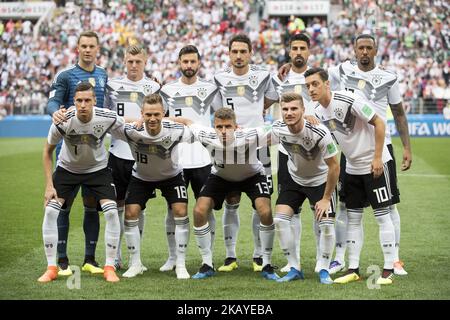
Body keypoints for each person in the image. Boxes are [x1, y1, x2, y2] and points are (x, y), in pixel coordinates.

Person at [327, 34, 411, 276]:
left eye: (368, 48)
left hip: (380, 148)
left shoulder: (388, 77)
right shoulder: (342, 70)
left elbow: (399, 113)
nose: (364, 52)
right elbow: (317, 74)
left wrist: (407, 148)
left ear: (376, 51)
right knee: (346, 206)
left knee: (389, 206)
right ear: (354, 50)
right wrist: (291, 67)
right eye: (360, 48)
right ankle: (341, 258)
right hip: (351, 148)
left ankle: (394, 260)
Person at [305, 68, 396, 285]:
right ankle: (353, 267)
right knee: (353, 218)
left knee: (382, 216)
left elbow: (379, 123)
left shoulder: (348, 99)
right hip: (352, 167)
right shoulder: (317, 113)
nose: (311, 89)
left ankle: (389, 268)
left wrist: (376, 158)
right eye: (308, 85)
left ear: (327, 84)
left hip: (374, 163)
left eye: (315, 84)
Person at [173, 108, 279, 281]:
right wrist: (161, 117)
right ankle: (207, 263)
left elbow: (278, 126)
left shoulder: (251, 134)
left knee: (265, 211)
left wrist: (306, 117)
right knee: (199, 211)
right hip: (221, 177)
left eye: (228, 126)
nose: (223, 131)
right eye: (219, 127)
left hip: (252, 176)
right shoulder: (206, 134)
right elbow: (188, 122)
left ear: (236, 127)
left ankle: (266, 263)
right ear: (213, 127)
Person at [39, 82, 122, 283]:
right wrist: (49, 185)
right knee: (50, 211)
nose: (83, 104)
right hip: (67, 170)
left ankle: (109, 267)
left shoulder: (107, 117)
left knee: (111, 211)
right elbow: (47, 152)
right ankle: (51, 268)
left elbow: (128, 128)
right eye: (79, 101)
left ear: (94, 101)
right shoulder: (62, 120)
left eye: (87, 100)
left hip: (98, 171)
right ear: (73, 102)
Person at [213, 34, 278, 272]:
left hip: (259, 145)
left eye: (243, 51)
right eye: (234, 52)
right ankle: (230, 256)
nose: (239, 56)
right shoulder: (219, 78)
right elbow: (217, 110)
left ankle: (259, 255)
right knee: (231, 200)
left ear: (250, 53)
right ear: (229, 54)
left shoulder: (263, 76)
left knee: (260, 202)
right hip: (230, 146)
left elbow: (271, 98)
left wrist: (255, 115)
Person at [48, 31, 108, 276]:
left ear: (97, 49)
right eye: (83, 46)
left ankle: (90, 259)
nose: (87, 50)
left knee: (91, 205)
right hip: (68, 153)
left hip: (94, 154)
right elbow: (52, 102)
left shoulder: (103, 74)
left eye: (91, 46)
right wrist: (55, 112)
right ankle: (61, 260)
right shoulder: (65, 75)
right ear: (78, 49)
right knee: (64, 205)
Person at [116, 94, 192, 279]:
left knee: (180, 211)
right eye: (148, 114)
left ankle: (180, 263)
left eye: (156, 114)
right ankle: (135, 264)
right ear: (141, 113)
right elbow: (111, 120)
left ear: (163, 114)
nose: (152, 119)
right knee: (130, 212)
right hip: (141, 177)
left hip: (171, 176)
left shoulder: (175, 130)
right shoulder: (131, 131)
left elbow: (193, 126)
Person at [158, 45, 219, 272]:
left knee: (207, 208)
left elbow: (222, 115)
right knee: (172, 209)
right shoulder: (167, 90)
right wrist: (181, 122)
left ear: (199, 63)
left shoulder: (210, 89)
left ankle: (208, 258)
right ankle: (173, 257)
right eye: (185, 62)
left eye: (193, 62)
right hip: (176, 159)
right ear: (179, 63)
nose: (189, 66)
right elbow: (160, 120)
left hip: (204, 158)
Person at [271, 92, 340, 284]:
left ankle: (324, 269)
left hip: (320, 181)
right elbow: (258, 137)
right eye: (285, 109)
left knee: (326, 225)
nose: (289, 112)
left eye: (294, 108)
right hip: (295, 179)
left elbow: (335, 166)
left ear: (303, 110)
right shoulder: (277, 128)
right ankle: (294, 268)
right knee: (280, 220)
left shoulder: (319, 132)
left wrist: (326, 198)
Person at [104, 44, 160, 270]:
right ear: (124, 62)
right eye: (130, 61)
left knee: (139, 206)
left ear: (145, 62)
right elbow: (106, 117)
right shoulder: (112, 86)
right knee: (116, 206)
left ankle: (135, 258)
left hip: (143, 155)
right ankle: (116, 256)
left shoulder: (154, 87)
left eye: (138, 62)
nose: (134, 65)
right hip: (117, 153)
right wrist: (129, 121)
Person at [272, 33, 322, 273]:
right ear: (289, 51)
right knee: (291, 210)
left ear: (309, 51)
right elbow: (263, 103)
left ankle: (326, 260)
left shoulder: (318, 76)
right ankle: (295, 259)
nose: (299, 52)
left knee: (320, 210)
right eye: (295, 48)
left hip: (317, 149)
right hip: (287, 150)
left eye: (303, 47)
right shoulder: (278, 78)